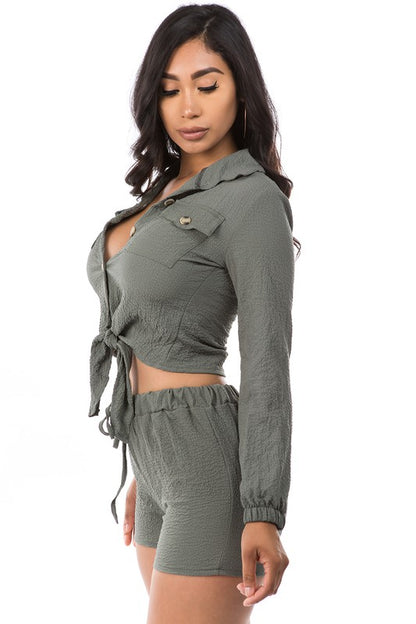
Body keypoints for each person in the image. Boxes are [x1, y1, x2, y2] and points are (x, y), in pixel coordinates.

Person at [86, 4, 301, 622]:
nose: (188, 108)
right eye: (170, 89)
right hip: (152, 456)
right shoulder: (161, 194)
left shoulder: (252, 200)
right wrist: (146, 464)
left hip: (206, 460)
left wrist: (263, 510)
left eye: (207, 86)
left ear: (241, 89)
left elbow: (267, 360)